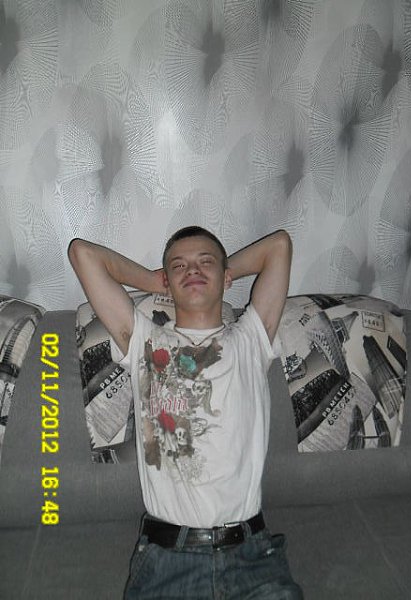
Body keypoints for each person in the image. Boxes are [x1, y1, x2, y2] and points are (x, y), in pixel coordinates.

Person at [68, 226, 302, 599]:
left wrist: (220, 270)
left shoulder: (251, 341)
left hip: (252, 559)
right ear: (168, 281)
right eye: (179, 266)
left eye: (204, 262)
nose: (192, 269)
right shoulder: (146, 343)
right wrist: (154, 280)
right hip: (168, 562)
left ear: (226, 277)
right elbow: (83, 253)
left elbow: (279, 246)